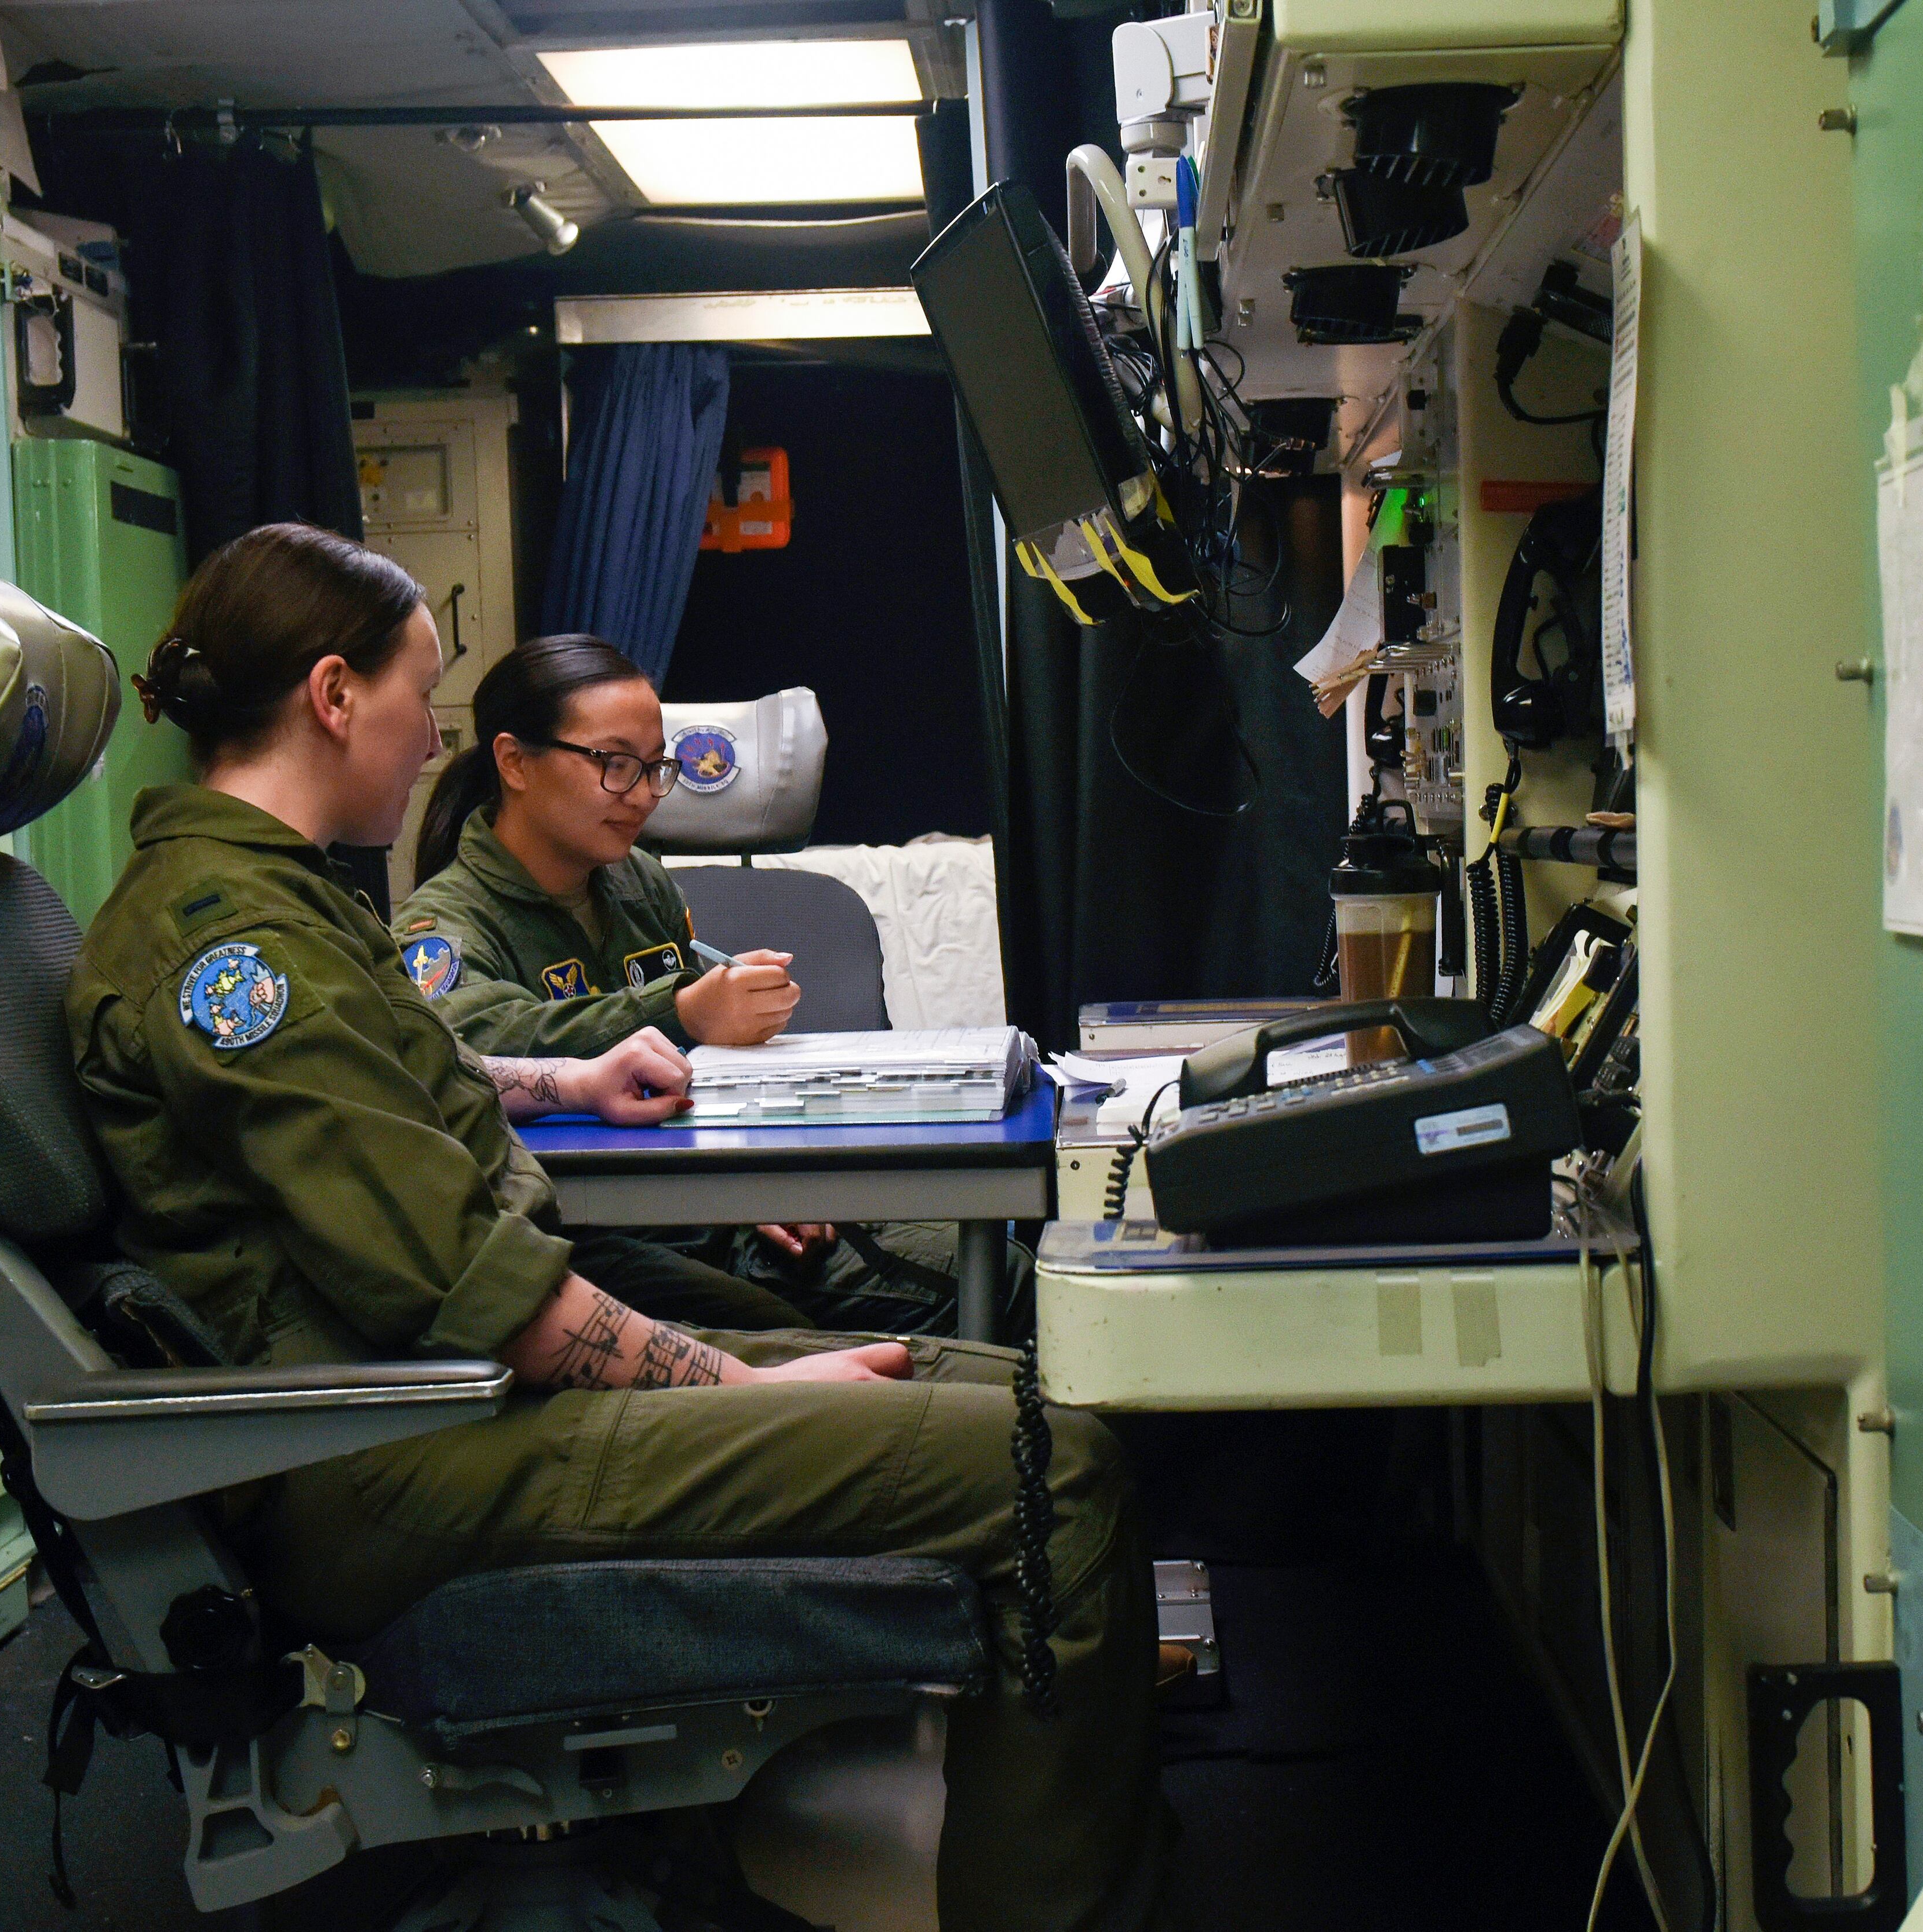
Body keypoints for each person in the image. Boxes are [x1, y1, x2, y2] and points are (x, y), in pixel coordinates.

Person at [66, 523, 1183, 1932]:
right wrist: (754, 1389)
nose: (430, 741)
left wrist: (569, 1074)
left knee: (1015, 1388)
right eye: (419, 694)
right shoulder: (239, 950)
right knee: (1052, 1472)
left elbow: (427, 1069)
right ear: (336, 696)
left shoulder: (274, 910)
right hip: (392, 1456)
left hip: (433, 1410)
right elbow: (481, 1289)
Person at [393, 634, 970, 1336]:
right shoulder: (444, 924)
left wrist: (764, 1175)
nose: (641, 795)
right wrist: (681, 1012)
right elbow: (461, 1047)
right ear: (514, 761)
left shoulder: (640, 882)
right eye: (613, 765)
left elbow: (708, 1080)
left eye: (655, 768)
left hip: (718, 1204)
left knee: (990, 1248)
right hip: (600, 1242)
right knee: (974, 1289)